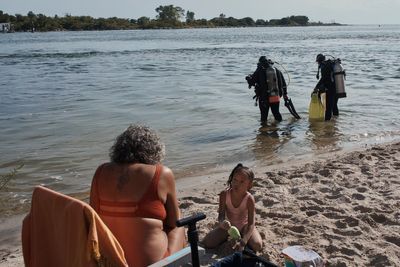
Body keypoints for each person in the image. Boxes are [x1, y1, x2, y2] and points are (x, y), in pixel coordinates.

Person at [89, 124, 186, 267]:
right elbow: (174, 223)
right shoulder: (161, 173)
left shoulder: (101, 171)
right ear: (155, 150)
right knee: (181, 223)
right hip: (154, 264)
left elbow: (94, 217)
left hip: (110, 261)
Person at [202, 163, 263, 252]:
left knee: (257, 245)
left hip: (244, 226)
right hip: (229, 227)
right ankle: (229, 236)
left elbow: (251, 223)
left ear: (249, 185)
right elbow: (221, 215)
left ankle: (243, 236)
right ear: (231, 179)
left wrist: (244, 241)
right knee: (207, 243)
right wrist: (222, 222)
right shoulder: (224, 194)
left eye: (242, 182)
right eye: (235, 180)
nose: (237, 184)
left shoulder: (249, 199)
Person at [246, 56, 288, 124]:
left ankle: (263, 131)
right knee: (276, 114)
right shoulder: (276, 70)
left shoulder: (259, 70)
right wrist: (285, 95)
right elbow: (283, 84)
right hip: (275, 96)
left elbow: (252, 82)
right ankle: (277, 129)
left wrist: (248, 78)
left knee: (264, 116)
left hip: (264, 98)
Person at [314, 53, 339, 121]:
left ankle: (327, 124)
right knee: (334, 106)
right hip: (338, 87)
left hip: (331, 89)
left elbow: (324, 78)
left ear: (318, 61)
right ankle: (336, 122)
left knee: (328, 108)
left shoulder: (324, 66)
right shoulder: (330, 65)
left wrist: (316, 87)